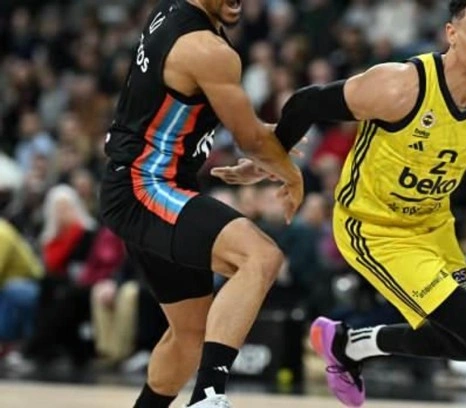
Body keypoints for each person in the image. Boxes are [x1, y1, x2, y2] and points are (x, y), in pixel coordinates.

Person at [213, 1, 466, 407]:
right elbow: (306, 102)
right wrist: (273, 159)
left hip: (433, 225)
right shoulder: (400, 86)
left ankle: (349, 345)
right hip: (373, 228)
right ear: (451, 33)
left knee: (460, 343)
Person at [99, 0, 303, 407]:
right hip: (146, 186)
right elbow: (250, 139)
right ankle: (208, 397)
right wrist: (290, 174)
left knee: (189, 336)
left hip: (147, 184)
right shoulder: (206, 48)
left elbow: (242, 128)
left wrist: (266, 148)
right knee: (260, 256)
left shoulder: (174, 14)